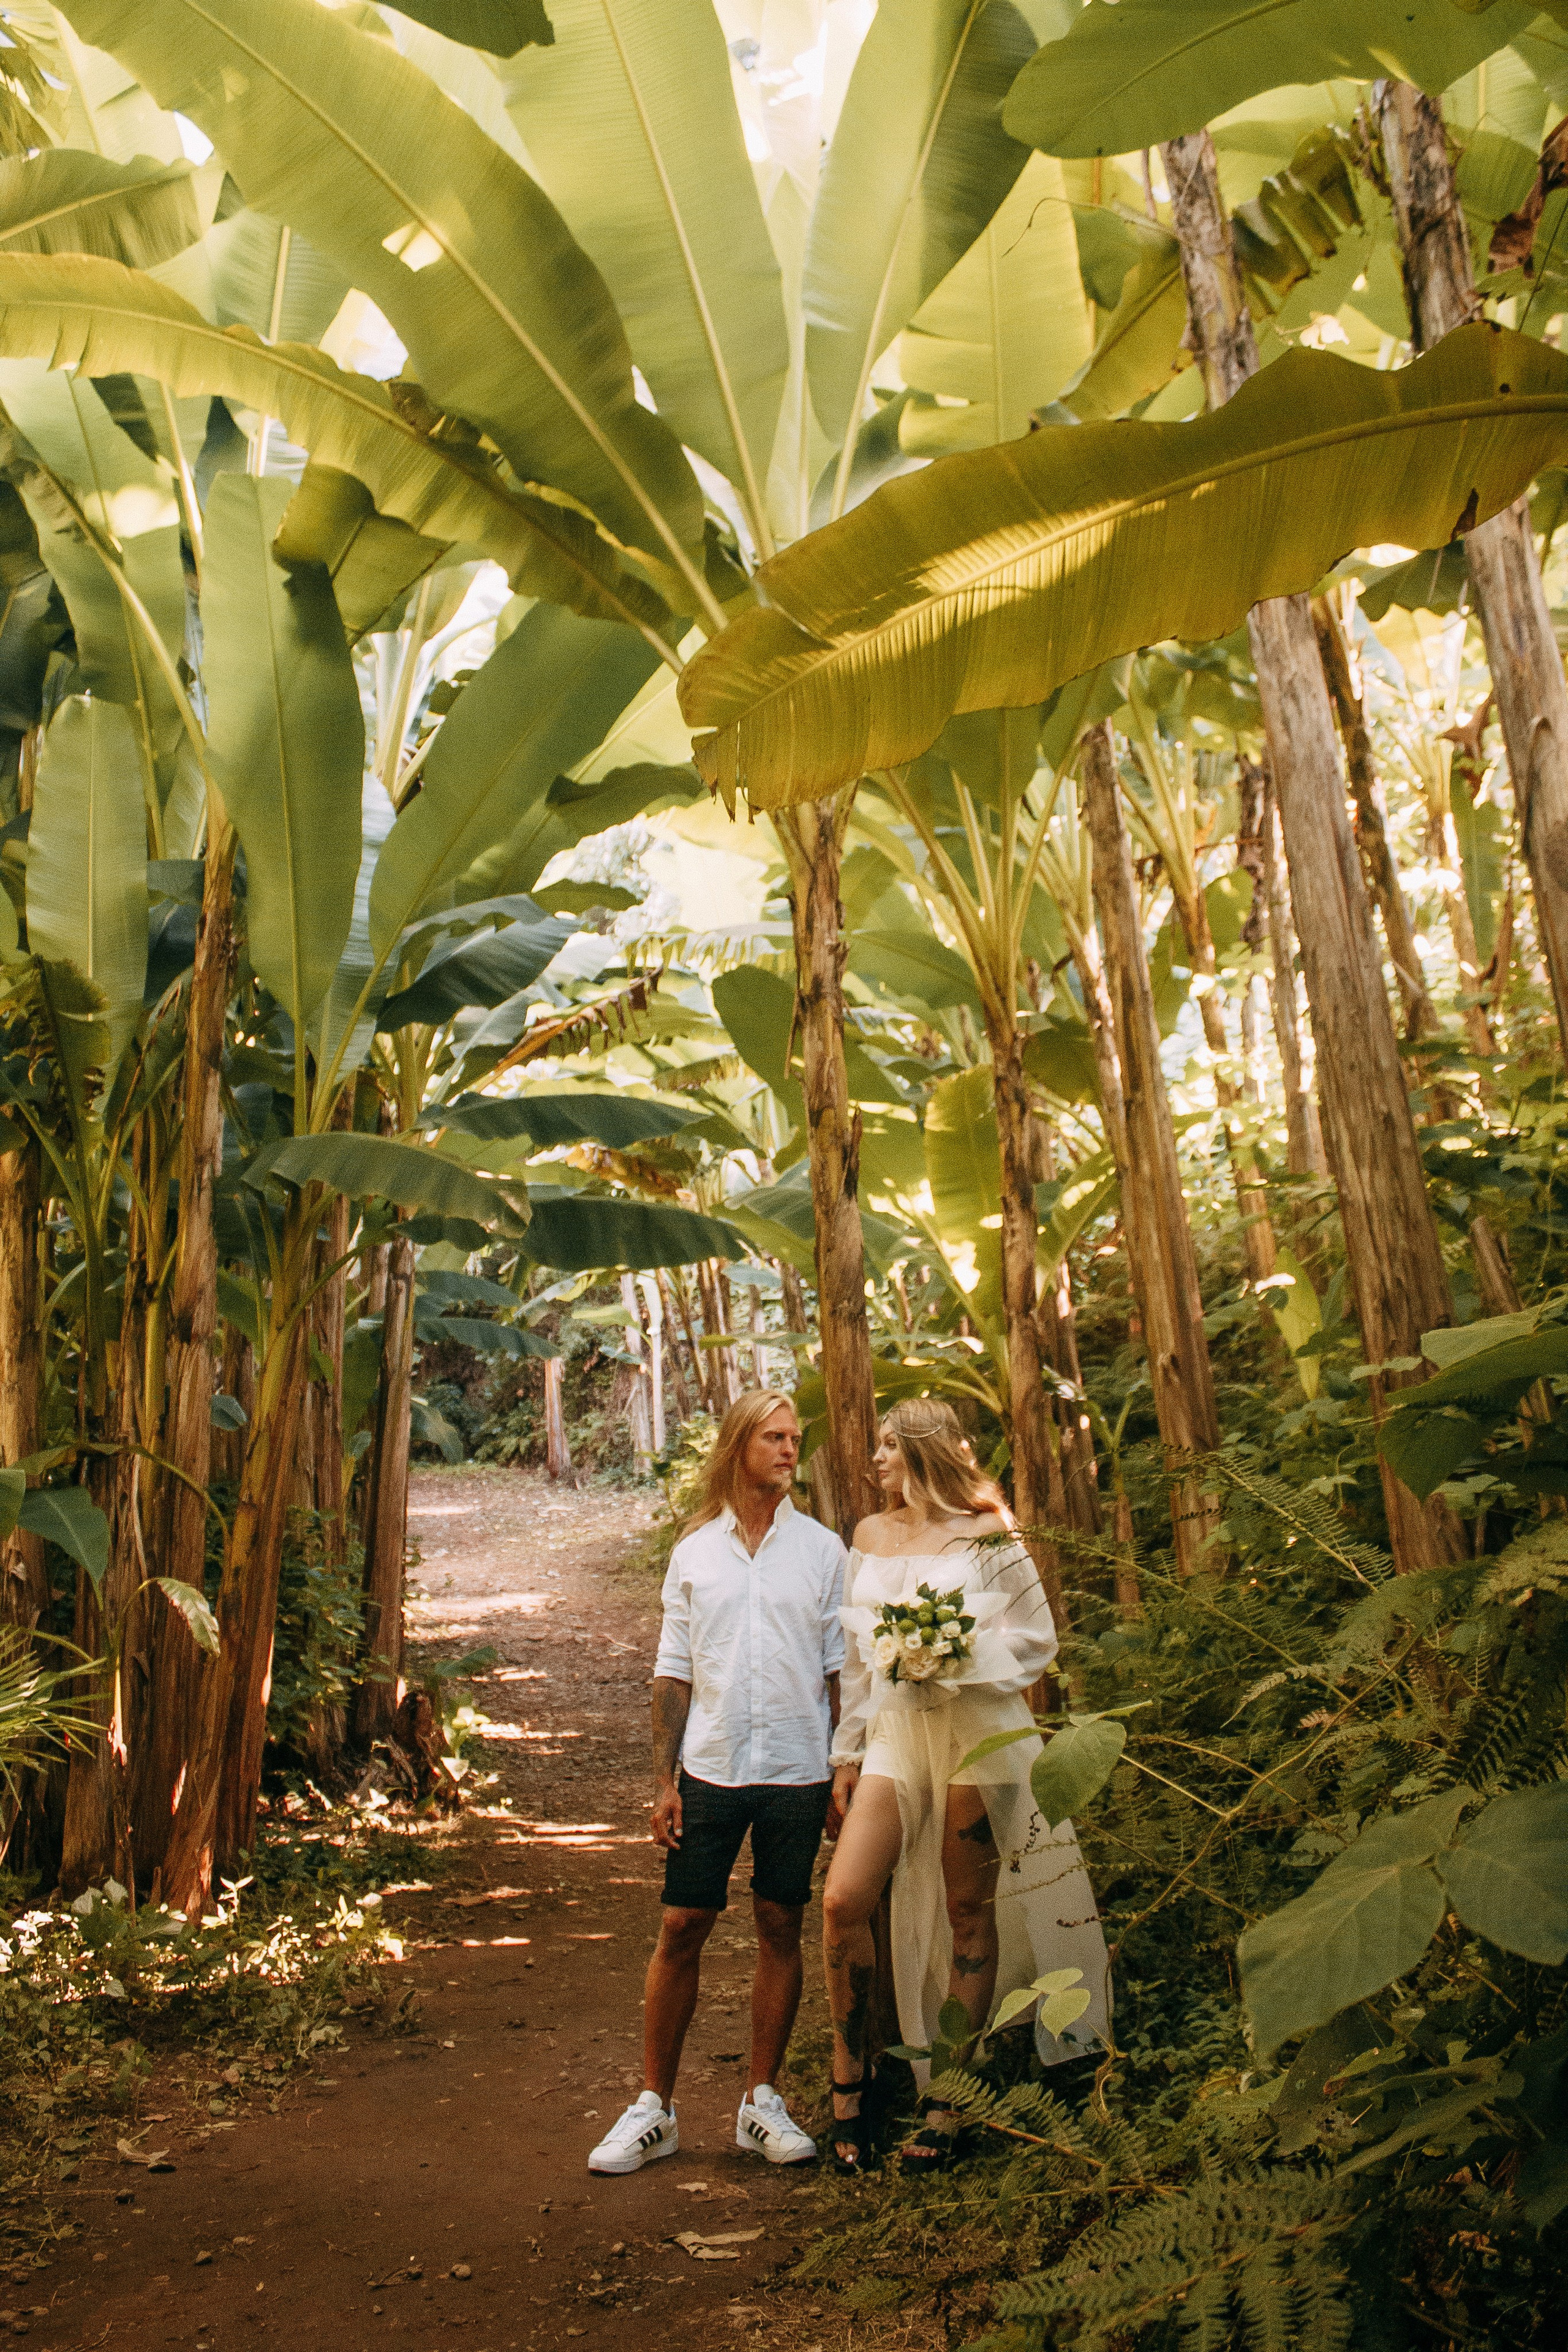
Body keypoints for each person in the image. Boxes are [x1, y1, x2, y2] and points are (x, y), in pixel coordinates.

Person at [821, 1398, 1109, 2174]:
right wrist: (846, 1755)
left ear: (922, 1455)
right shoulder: (870, 1537)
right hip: (893, 1735)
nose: (875, 1459)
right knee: (845, 1900)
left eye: (888, 1446)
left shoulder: (989, 1531)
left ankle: (948, 2101)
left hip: (978, 1732)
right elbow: (855, 1655)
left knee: (966, 1910)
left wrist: (954, 1660)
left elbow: (1035, 1641)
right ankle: (849, 2089)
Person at [589, 1389, 848, 2176]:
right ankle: (653, 2107)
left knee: (780, 1925)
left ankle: (760, 2103)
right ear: (739, 1445)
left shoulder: (823, 1551)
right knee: (680, 1928)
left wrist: (844, 1770)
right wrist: (662, 1780)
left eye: (794, 1439)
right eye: (773, 1437)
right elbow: (671, 1671)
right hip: (709, 1767)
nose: (788, 1450)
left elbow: (841, 1673)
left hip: (798, 1771)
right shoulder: (695, 1551)